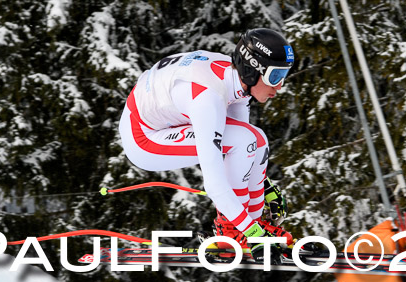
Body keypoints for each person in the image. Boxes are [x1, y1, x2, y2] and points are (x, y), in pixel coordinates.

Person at [118, 28, 294, 262]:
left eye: (284, 75)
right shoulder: (208, 99)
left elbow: (245, 149)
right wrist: (250, 233)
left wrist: (263, 185)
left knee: (255, 139)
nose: (279, 86)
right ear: (252, 71)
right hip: (143, 137)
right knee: (244, 140)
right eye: (274, 77)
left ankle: (250, 227)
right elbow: (214, 182)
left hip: (167, 116)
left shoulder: (236, 79)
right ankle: (232, 234)